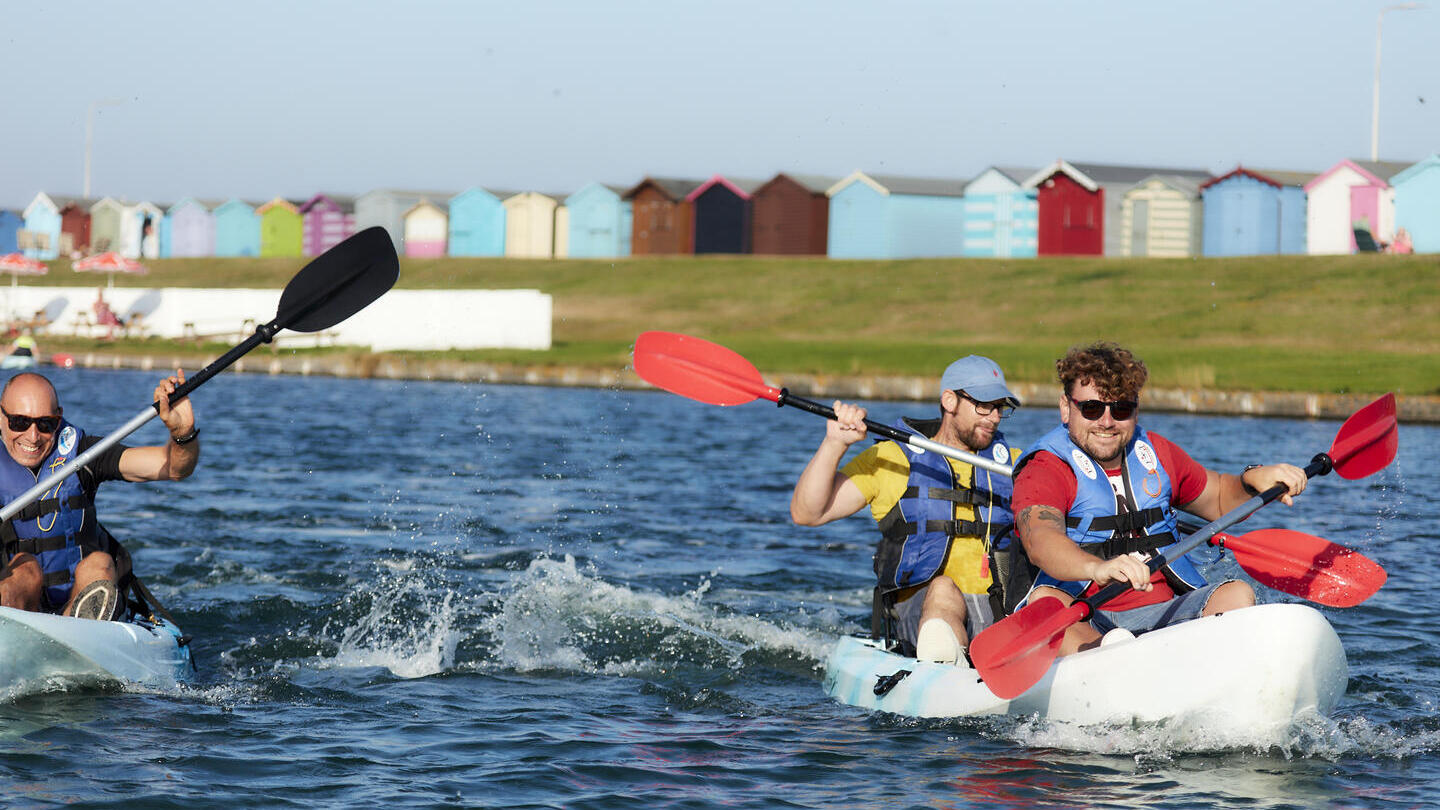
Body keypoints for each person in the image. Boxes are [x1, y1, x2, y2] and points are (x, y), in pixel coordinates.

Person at [1010, 342, 1308, 656]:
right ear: (1066, 407)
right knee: (1046, 601)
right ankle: (1108, 657)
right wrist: (1096, 568)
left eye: (1121, 409)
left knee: (1237, 594)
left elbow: (1219, 498)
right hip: (1085, 616)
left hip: (1164, 612)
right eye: (1093, 408)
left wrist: (1252, 480)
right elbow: (1040, 540)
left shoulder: (1157, 453)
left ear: (1136, 410)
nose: (1107, 422)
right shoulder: (1045, 468)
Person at [790, 356, 1024, 664]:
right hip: (924, 615)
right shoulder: (891, 459)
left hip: (999, 611)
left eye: (999, 407)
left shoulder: (1016, 465)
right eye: (983, 405)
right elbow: (807, 513)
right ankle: (945, 660)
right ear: (949, 400)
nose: (993, 417)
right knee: (942, 588)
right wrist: (835, 443)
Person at [0, 370, 199, 621]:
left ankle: (84, 624)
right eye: (19, 422)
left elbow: (174, 467)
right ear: (1, 415)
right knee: (24, 568)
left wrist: (183, 433)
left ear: (58, 419)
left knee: (100, 564)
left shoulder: (84, 454)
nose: (32, 436)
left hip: (82, 607)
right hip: (19, 610)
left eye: (45, 424)